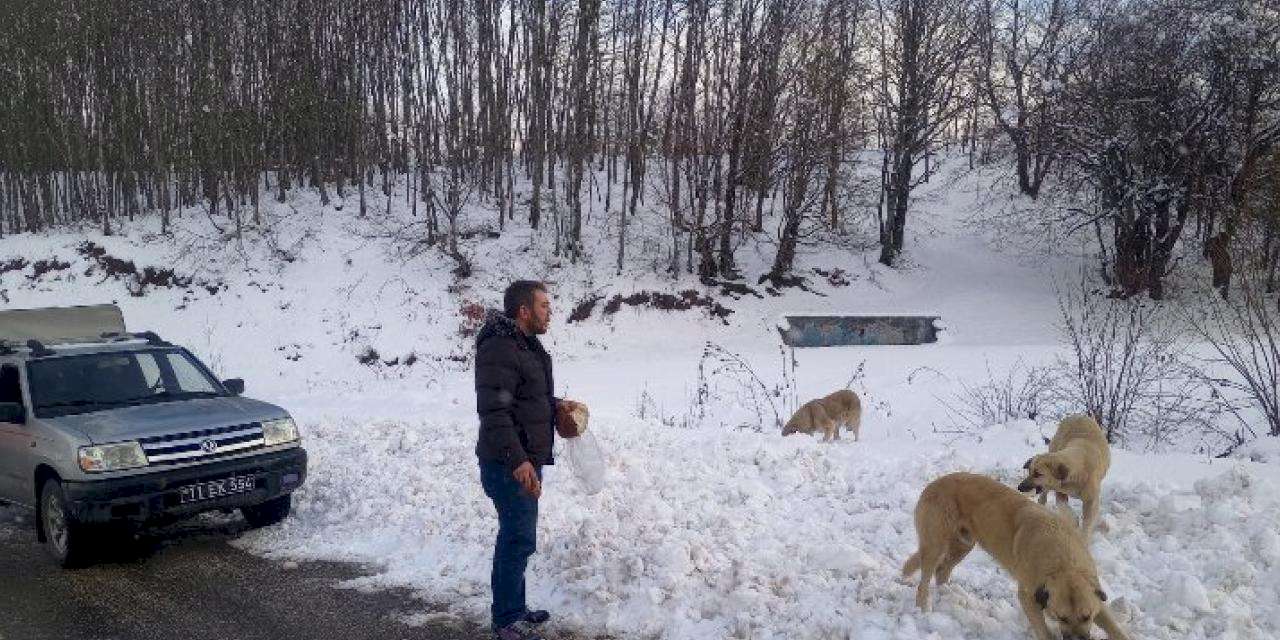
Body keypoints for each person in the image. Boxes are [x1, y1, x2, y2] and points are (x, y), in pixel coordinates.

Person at [474, 280, 581, 640]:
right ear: (523, 311)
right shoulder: (500, 347)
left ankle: (514, 609)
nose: (550, 312)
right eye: (544, 306)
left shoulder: (525, 345)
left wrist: (557, 405)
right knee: (517, 539)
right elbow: (494, 411)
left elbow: (526, 397)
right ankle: (505, 620)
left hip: (524, 459)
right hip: (508, 463)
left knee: (518, 537)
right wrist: (518, 461)